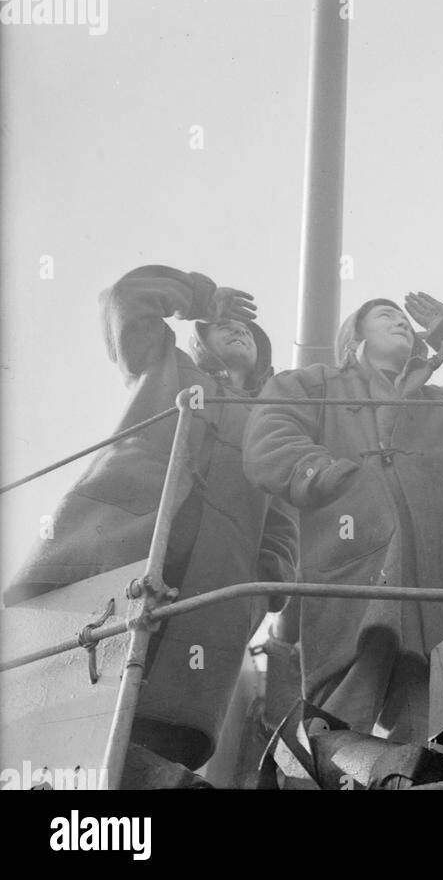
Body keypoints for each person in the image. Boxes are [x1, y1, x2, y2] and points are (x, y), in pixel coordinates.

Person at [4, 264, 299, 787]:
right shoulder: (166, 366)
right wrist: (202, 298)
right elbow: (127, 299)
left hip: (211, 593)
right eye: (225, 326)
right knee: (65, 707)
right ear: (200, 339)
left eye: (251, 332)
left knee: (159, 727)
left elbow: (282, 527)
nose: (241, 331)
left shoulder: (270, 423)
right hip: (114, 557)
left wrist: (258, 592)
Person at [243, 291, 443, 784]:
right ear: (354, 337)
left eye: (407, 320)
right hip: (360, 567)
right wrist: (330, 477)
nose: (402, 323)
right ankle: (288, 776)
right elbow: (268, 436)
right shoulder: (312, 385)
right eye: (386, 316)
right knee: (348, 694)